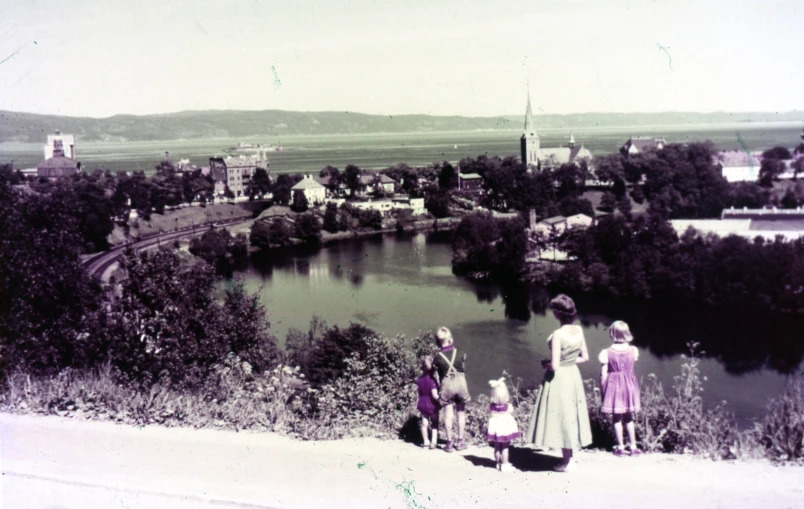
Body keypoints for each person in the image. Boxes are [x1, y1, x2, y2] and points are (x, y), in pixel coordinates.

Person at [525, 294, 592, 472]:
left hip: (559, 379)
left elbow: (554, 365)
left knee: (561, 417)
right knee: (569, 415)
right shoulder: (579, 331)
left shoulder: (557, 334)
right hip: (572, 376)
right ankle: (569, 457)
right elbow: (585, 358)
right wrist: (568, 362)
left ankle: (566, 462)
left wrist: (545, 363)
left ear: (556, 314)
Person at [599, 320, 642, 456]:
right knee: (629, 416)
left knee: (616, 417)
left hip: (613, 385)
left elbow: (603, 374)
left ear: (612, 333)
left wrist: (603, 388)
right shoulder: (633, 350)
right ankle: (633, 447)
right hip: (629, 385)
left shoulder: (606, 352)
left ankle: (620, 447)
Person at [433, 326, 471, 452]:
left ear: (438, 342)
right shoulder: (461, 353)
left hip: (447, 386)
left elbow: (435, 372)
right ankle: (460, 442)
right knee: (461, 412)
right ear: (451, 340)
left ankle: (449, 443)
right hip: (460, 384)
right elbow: (463, 364)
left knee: (448, 414)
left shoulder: (437, 357)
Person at [486, 377, 521, 472]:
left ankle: (498, 463)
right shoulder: (507, 406)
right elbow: (511, 412)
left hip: (495, 429)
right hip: (504, 429)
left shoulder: (491, 406)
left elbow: (490, 414)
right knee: (505, 447)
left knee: (497, 447)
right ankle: (505, 465)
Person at [416, 356, 441, 449]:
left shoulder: (420, 379)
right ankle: (434, 441)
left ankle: (426, 441)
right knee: (434, 422)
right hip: (432, 404)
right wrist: (441, 400)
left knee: (424, 422)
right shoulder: (432, 381)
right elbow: (434, 395)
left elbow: (419, 392)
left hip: (422, 402)